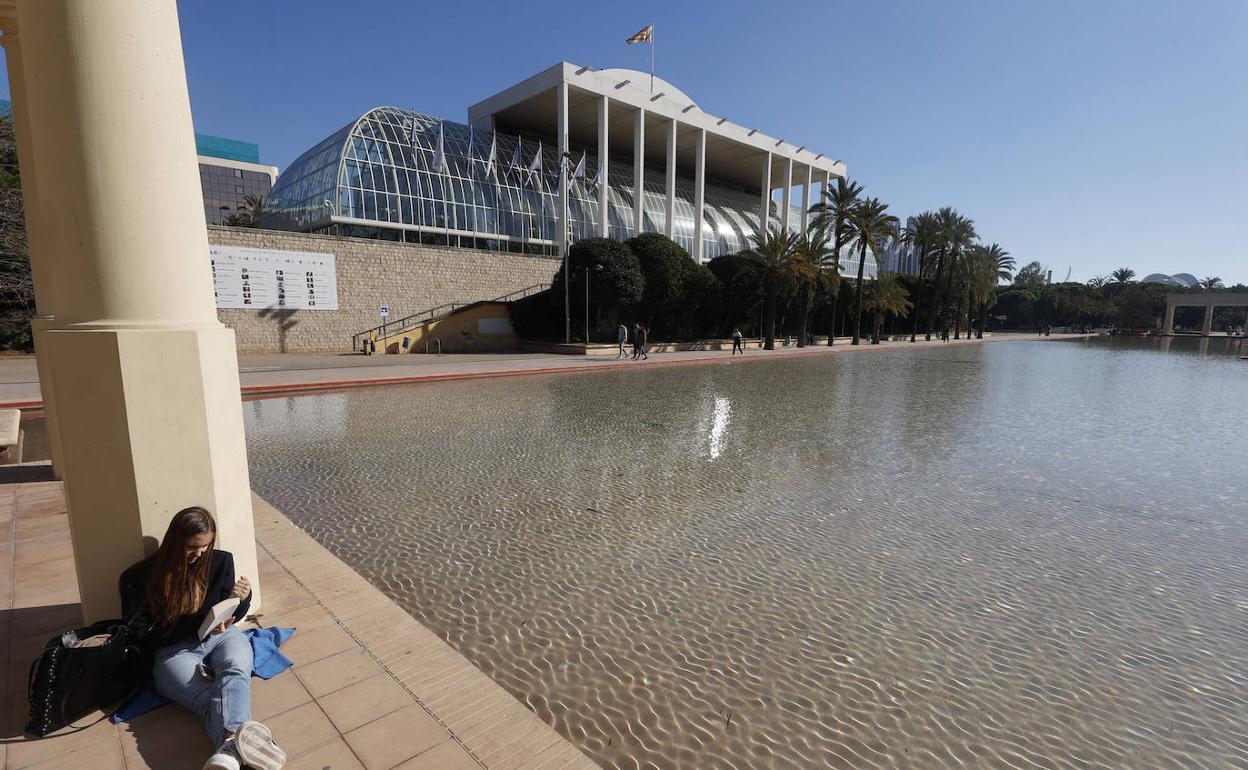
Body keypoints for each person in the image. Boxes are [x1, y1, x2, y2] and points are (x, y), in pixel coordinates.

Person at [120, 507, 286, 770]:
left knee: (235, 670)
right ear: (174, 540)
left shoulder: (220, 562)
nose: (199, 554)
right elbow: (140, 637)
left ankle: (229, 753)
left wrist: (242, 600)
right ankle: (238, 748)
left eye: (205, 546)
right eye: (191, 547)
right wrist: (198, 623)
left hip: (221, 637)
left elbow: (232, 612)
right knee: (209, 697)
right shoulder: (137, 579)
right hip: (173, 651)